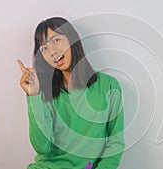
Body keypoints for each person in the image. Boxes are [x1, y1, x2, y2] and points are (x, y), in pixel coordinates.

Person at [17, 17, 125, 169]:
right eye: (44, 48)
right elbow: (42, 147)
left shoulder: (108, 86)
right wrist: (33, 96)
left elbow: (115, 143)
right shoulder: (43, 91)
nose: (52, 51)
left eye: (56, 40)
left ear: (72, 39)